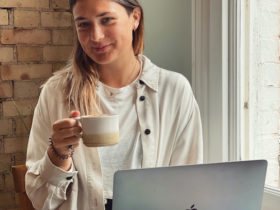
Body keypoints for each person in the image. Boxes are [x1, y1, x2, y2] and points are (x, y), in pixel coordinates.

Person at [25, 0, 203, 209]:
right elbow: (40, 201)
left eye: (107, 20)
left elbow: (189, 191)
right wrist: (59, 154)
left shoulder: (174, 91)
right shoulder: (56, 93)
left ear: (135, 18)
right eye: (83, 24)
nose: (96, 36)